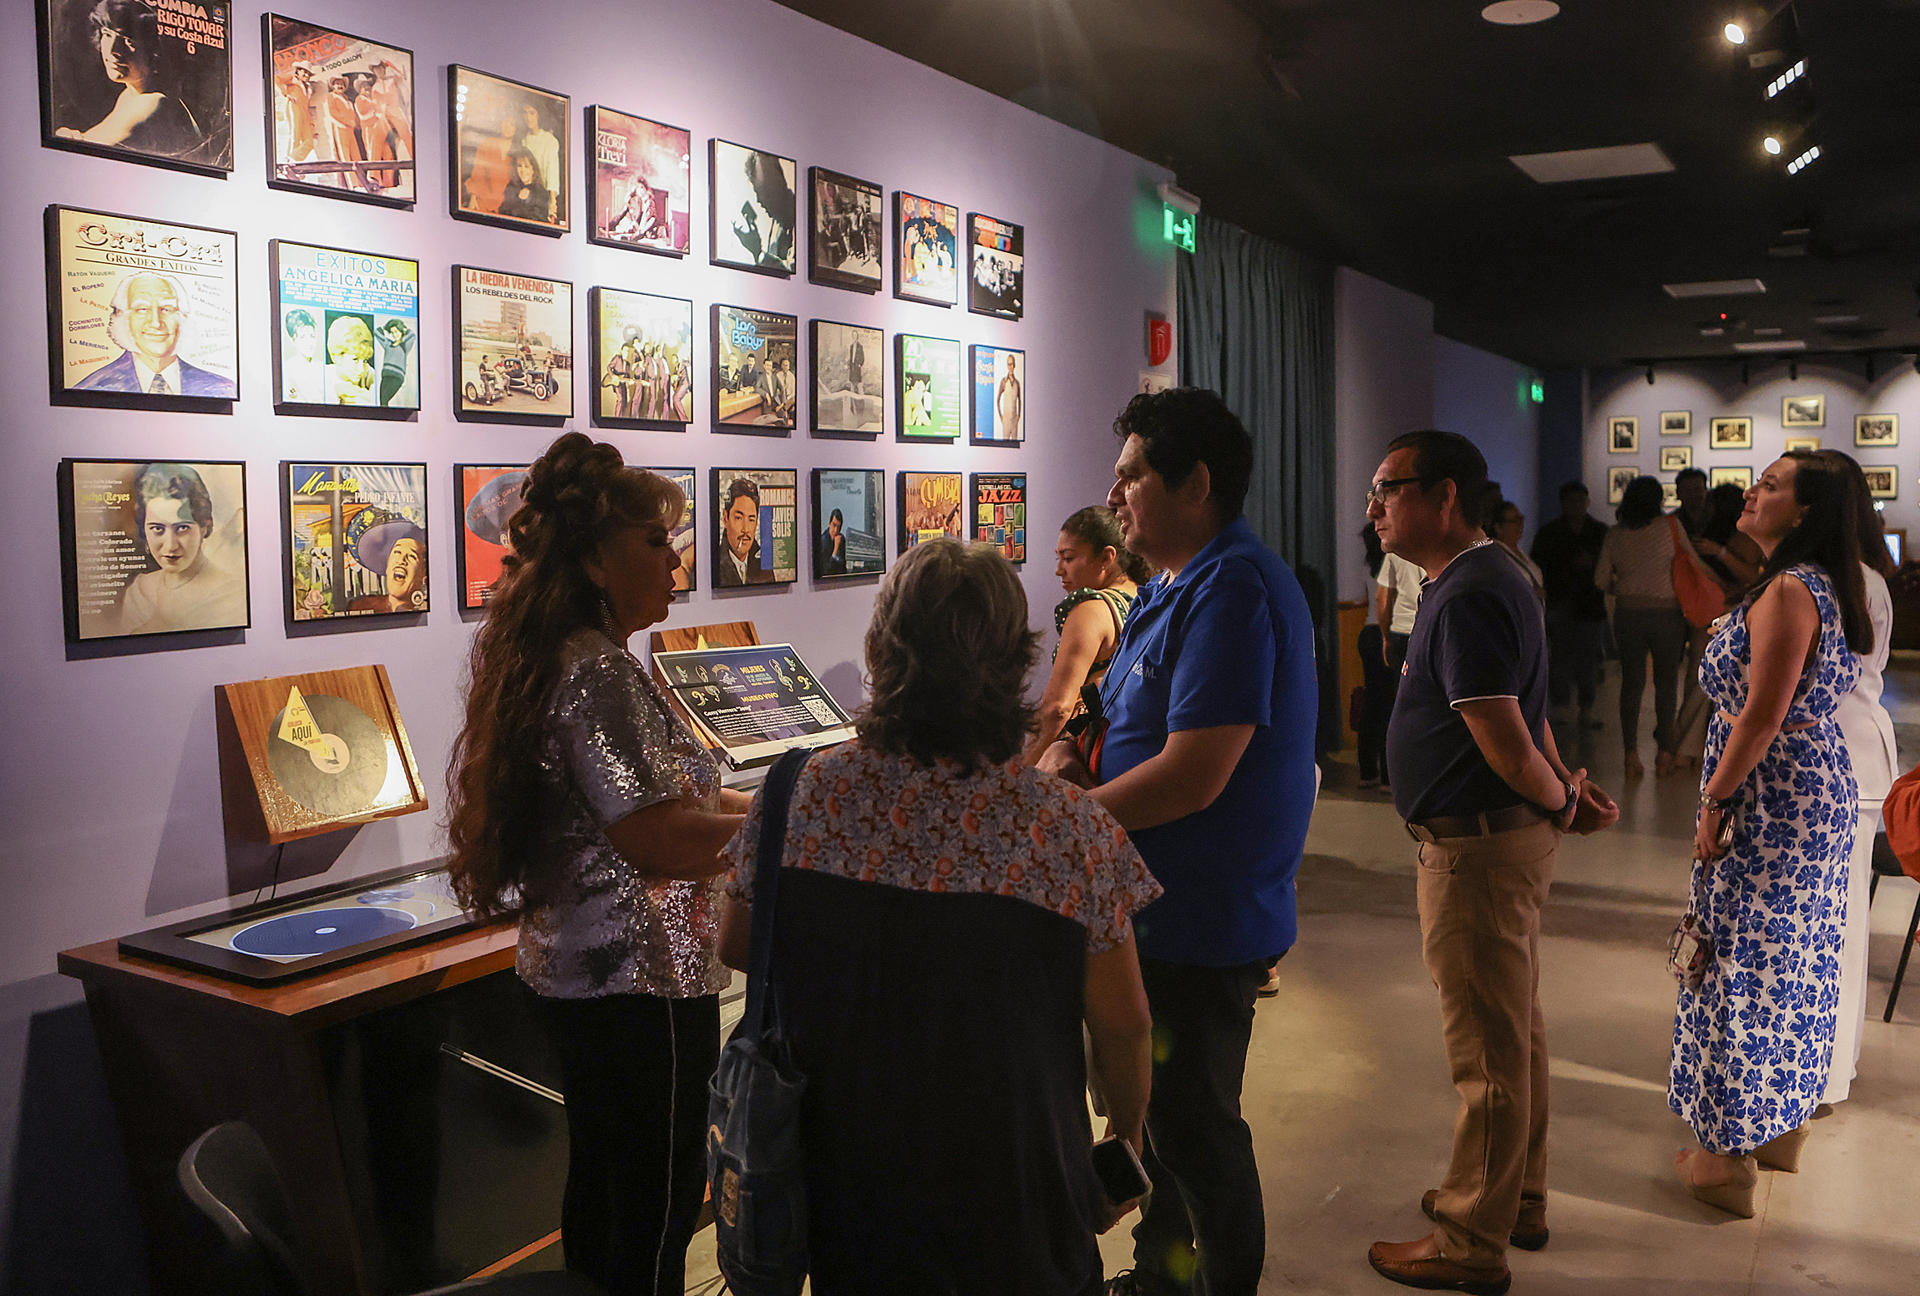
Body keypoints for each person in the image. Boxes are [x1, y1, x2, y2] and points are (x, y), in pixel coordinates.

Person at [716, 540, 1159, 1293]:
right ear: (1014, 660)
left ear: (883, 649)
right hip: (1018, 1184)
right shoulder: (1064, 827)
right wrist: (1125, 1136)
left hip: (848, 1173)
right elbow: (1124, 1023)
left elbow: (738, 943)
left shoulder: (801, 796)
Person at [443, 433, 749, 1296]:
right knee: (648, 1209)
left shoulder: (577, 659)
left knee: (606, 1186)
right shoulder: (598, 673)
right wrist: (783, 830)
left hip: (589, 975)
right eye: (656, 543)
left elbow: (674, 801)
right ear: (597, 560)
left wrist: (780, 804)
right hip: (636, 984)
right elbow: (652, 837)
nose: (675, 562)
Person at [1038, 388, 1317, 1296]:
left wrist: (1063, 821)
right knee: (1165, 1120)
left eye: (1132, 477)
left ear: (1194, 482)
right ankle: (1161, 1279)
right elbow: (1126, 720)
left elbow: (1196, 772)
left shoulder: (1234, 588)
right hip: (1157, 908)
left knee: (1197, 1131)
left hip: (1202, 917)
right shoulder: (1172, 586)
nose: (1114, 495)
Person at [1366, 430, 1618, 1296]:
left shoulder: (1471, 590)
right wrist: (1562, 795)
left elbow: (1507, 738)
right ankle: (1518, 1199)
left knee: (1486, 1052)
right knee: (1516, 1034)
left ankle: (1474, 1239)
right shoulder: (1493, 572)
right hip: (1495, 836)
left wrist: (1552, 795)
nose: (1373, 509)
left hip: (1475, 849)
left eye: (1387, 490)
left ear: (1444, 497)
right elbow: (1532, 718)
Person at [1671, 451, 1868, 1216]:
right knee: (1794, 962)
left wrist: (1716, 801)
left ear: (1807, 511)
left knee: (1740, 966)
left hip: (1771, 795)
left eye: (1774, 485)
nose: (1755, 491)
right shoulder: (1817, 582)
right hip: (1810, 787)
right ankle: (1777, 1129)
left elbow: (1760, 713)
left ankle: (1724, 1161)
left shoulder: (1791, 589)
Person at [1819, 452, 1898, 1109]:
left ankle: (1829, 1069)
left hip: (1843, 761)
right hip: (1848, 759)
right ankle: (1828, 1065)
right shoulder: (1854, 575)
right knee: (1837, 923)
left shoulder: (1848, 579)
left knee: (1838, 925)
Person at [1024, 506, 1151, 766]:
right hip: (1128, 745)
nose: (1059, 569)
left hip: (1087, 753)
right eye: (1058, 557)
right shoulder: (1143, 596)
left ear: (1106, 558)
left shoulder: (1091, 610)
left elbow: (1057, 709)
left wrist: (1022, 770)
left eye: (1068, 558)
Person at [1595, 476, 1687, 778]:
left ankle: (1630, 754)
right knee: (1666, 685)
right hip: (1667, 615)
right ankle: (1665, 753)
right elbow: (1692, 563)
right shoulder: (1670, 527)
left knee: (1631, 684)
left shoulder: (1615, 534)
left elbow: (1600, 580)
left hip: (1628, 614)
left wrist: (1624, 586)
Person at [56, 0, 204, 159]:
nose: (113, 51)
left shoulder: (153, 103)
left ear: (152, 51)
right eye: (107, 34)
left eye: (128, 41)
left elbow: (82, 148)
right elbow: (86, 140)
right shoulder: (129, 95)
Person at [117, 462, 245, 635]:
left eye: (182, 528)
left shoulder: (230, 594)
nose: (170, 546)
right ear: (144, 529)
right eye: (157, 529)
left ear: (204, 527)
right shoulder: (139, 590)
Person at [74, 271, 235, 398]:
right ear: (122, 317)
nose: (156, 323)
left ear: (183, 317)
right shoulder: (91, 387)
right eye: (142, 309)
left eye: (166, 309)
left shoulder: (222, 388)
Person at [1530, 481, 1609, 731]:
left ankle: (1586, 708)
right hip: (1560, 602)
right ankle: (1562, 707)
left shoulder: (1599, 532)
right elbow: (1540, 567)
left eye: (1580, 501)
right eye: (1571, 501)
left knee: (1588, 660)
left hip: (1589, 604)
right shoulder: (1550, 533)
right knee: (1560, 659)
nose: (1576, 506)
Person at [1356, 524, 1395, 790]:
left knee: (1372, 703)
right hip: (1384, 634)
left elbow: (1366, 599)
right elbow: (1385, 603)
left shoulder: (1366, 567)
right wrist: (1388, 638)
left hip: (1365, 634)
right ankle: (1388, 776)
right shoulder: (1392, 564)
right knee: (1389, 706)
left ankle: (1367, 771)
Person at [347, 525, 427, 614]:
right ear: (387, 566)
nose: (401, 561)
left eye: (412, 556)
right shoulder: (360, 606)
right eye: (397, 552)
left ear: (423, 572)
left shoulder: (424, 607)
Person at [1486, 498, 1545, 602]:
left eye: (1521, 519)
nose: (1520, 525)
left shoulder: (1519, 552)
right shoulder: (1495, 555)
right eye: (1514, 521)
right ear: (1498, 527)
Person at [716, 477, 771, 586]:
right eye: (739, 518)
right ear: (725, 518)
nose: (745, 529)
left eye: (751, 520)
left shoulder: (764, 563)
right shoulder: (714, 563)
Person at [519, 102, 562, 222]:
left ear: (539, 115)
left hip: (542, 195)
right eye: (525, 113)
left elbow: (552, 172)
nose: (528, 117)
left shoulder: (549, 140)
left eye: (532, 113)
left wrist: (552, 202)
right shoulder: (523, 140)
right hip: (526, 194)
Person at [280, 309, 324, 404]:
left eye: (312, 336)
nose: (309, 343)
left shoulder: (322, 367)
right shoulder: (287, 369)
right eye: (303, 337)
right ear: (293, 340)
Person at [496, 148, 551, 223]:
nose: (523, 171)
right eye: (519, 166)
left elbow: (538, 221)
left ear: (533, 169)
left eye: (526, 166)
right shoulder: (511, 187)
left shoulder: (542, 193)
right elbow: (503, 212)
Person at [998, 353, 1025, 440]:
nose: (1011, 366)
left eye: (1012, 364)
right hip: (1006, 421)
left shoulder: (1017, 383)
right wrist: (1001, 416)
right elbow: (998, 399)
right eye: (1009, 364)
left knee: (1015, 442)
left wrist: (1019, 415)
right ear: (1007, 365)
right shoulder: (1004, 381)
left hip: (1014, 421)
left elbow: (1020, 400)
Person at [819, 507, 847, 576]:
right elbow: (826, 570)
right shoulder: (823, 540)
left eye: (839, 527)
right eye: (834, 525)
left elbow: (843, 566)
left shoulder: (841, 539)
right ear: (829, 523)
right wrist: (835, 550)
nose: (836, 530)